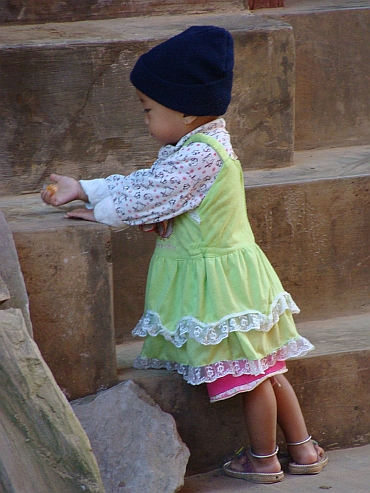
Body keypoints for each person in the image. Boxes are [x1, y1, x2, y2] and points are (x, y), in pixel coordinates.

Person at [41, 25, 328, 484]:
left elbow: (151, 194)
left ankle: (263, 457)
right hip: (236, 276)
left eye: (149, 109)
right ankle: (304, 448)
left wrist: (103, 212)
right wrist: (88, 190)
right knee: (268, 369)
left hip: (218, 287)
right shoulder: (198, 146)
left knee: (249, 377)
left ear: (187, 111)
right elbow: (145, 184)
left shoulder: (198, 157)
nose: (145, 118)